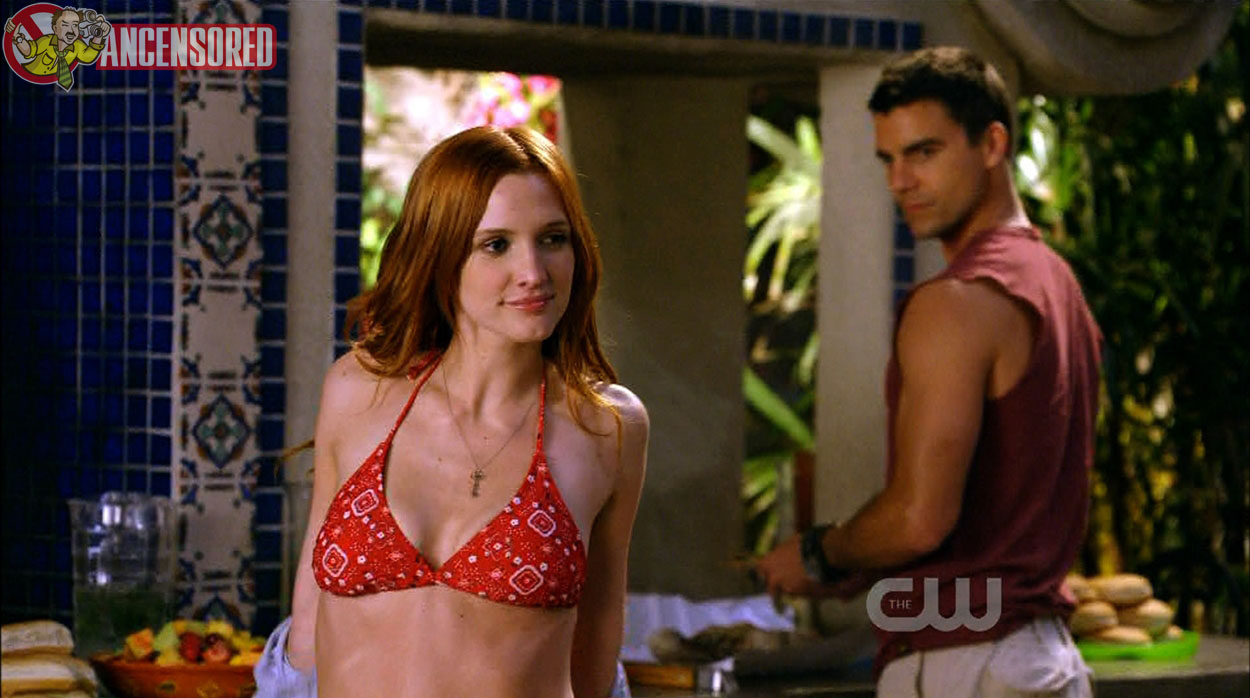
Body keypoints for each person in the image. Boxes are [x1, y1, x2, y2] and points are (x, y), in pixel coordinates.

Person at [755, 46, 1101, 698]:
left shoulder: (955, 301)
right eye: (888, 159)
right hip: (1038, 656)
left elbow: (919, 518)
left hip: (968, 661)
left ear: (993, 143)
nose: (900, 181)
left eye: (924, 152)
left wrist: (820, 553)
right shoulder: (1057, 284)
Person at [261, 126, 649, 698]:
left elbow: (595, 647)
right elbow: (307, 624)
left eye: (553, 239)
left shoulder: (606, 427)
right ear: (441, 254)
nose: (533, 272)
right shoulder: (358, 391)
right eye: (496, 245)